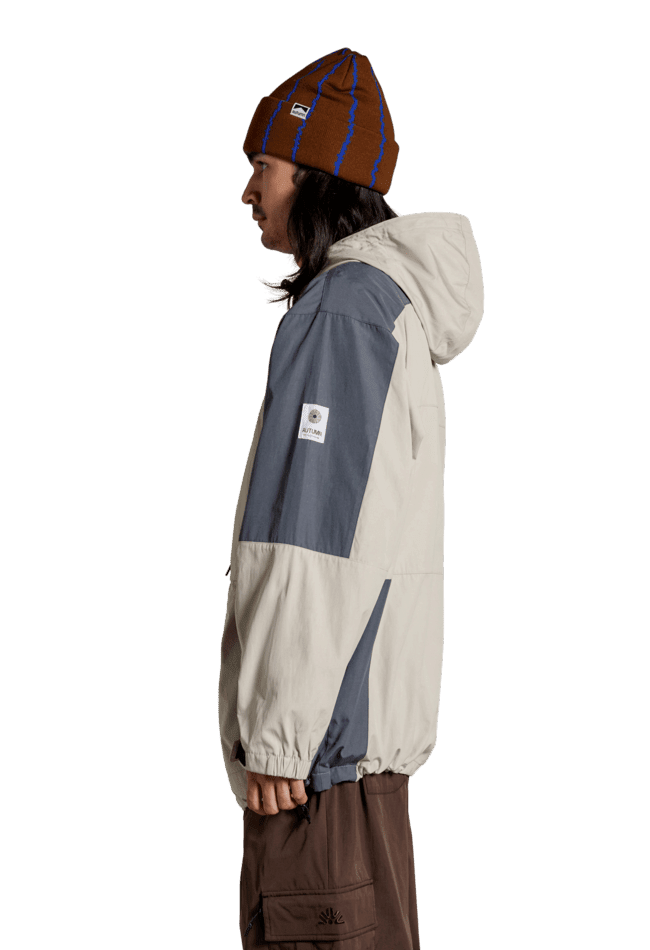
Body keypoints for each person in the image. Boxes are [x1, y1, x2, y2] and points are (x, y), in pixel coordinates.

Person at [217, 47, 485, 949]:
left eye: (263, 165)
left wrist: (278, 733)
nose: (248, 191)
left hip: (318, 777)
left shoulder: (342, 313)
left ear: (315, 174)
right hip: (353, 773)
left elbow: (313, 539)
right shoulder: (380, 310)